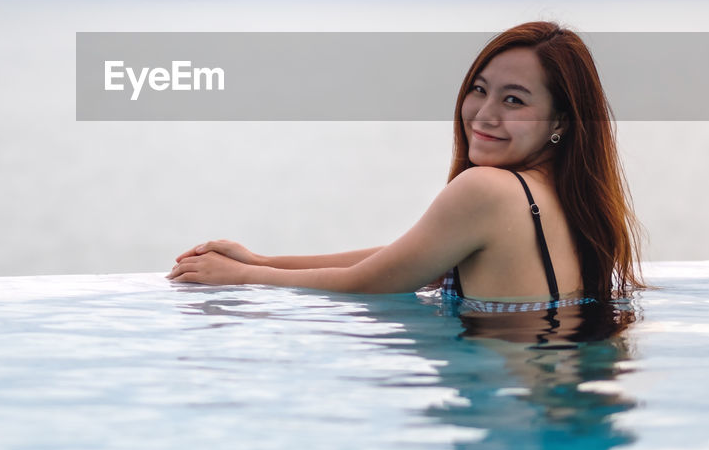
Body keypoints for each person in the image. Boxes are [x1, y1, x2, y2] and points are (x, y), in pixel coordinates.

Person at [167, 21, 646, 307]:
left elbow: (370, 282)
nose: (484, 113)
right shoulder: (568, 196)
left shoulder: (488, 190)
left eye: (514, 100)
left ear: (561, 120)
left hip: (506, 410)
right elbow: (407, 257)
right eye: (479, 90)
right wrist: (267, 259)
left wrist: (246, 278)